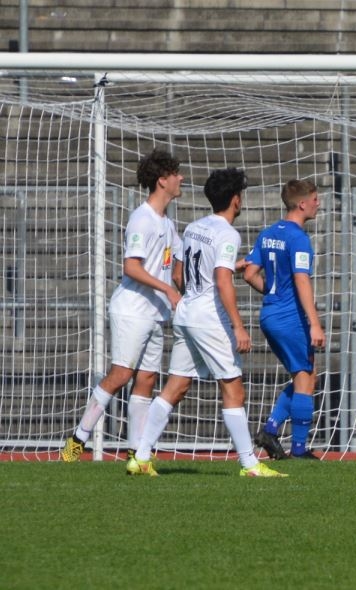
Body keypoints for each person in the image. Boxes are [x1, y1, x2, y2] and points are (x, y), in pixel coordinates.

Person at [129, 168, 284, 477]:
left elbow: (180, 273)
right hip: (209, 319)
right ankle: (250, 464)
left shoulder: (194, 227)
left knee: (176, 386)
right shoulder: (228, 234)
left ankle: (141, 457)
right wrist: (238, 326)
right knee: (233, 388)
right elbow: (222, 280)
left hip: (187, 313)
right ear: (236, 200)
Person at [63, 149, 183, 463]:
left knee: (147, 379)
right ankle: (77, 441)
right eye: (175, 174)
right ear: (162, 181)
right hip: (132, 309)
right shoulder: (142, 218)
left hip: (155, 313)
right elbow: (131, 267)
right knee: (120, 374)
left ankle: (135, 455)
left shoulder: (168, 224)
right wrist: (167, 289)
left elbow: (177, 270)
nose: (181, 178)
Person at [244, 180, 327, 461]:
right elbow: (302, 280)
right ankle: (299, 449)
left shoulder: (268, 233)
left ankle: (271, 429)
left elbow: (249, 274)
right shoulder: (299, 238)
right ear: (302, 204)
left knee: (306, 375)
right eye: (315, 199)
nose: (318, 204)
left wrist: (272, 293)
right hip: (290, 317)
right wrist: (314, 323)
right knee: (305, 377)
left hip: (269, 314)